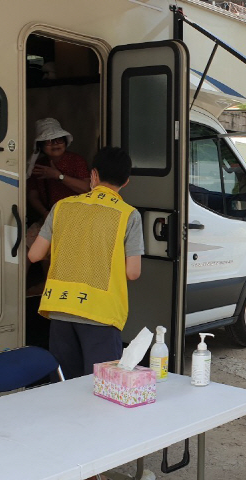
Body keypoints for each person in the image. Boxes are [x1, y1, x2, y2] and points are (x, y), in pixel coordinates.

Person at [27, 147, 144, 380]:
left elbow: (34, 255)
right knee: (101, 387)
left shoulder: (62, 207)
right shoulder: (128, 215)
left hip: (61, 309)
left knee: (64, 386)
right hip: (101, 313)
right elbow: (132, 272)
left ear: (93, 175)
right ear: (127, 181)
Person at [27, 118, 90, 225]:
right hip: (50, 218)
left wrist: (59, 176)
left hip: (77, 218)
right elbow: (33, 195)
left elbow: (87, 188)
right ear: (41, 146)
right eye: (48, 141)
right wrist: (44, 213)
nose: (55, 144)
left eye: (59, 139)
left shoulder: (76, 160)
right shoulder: (38, 165)